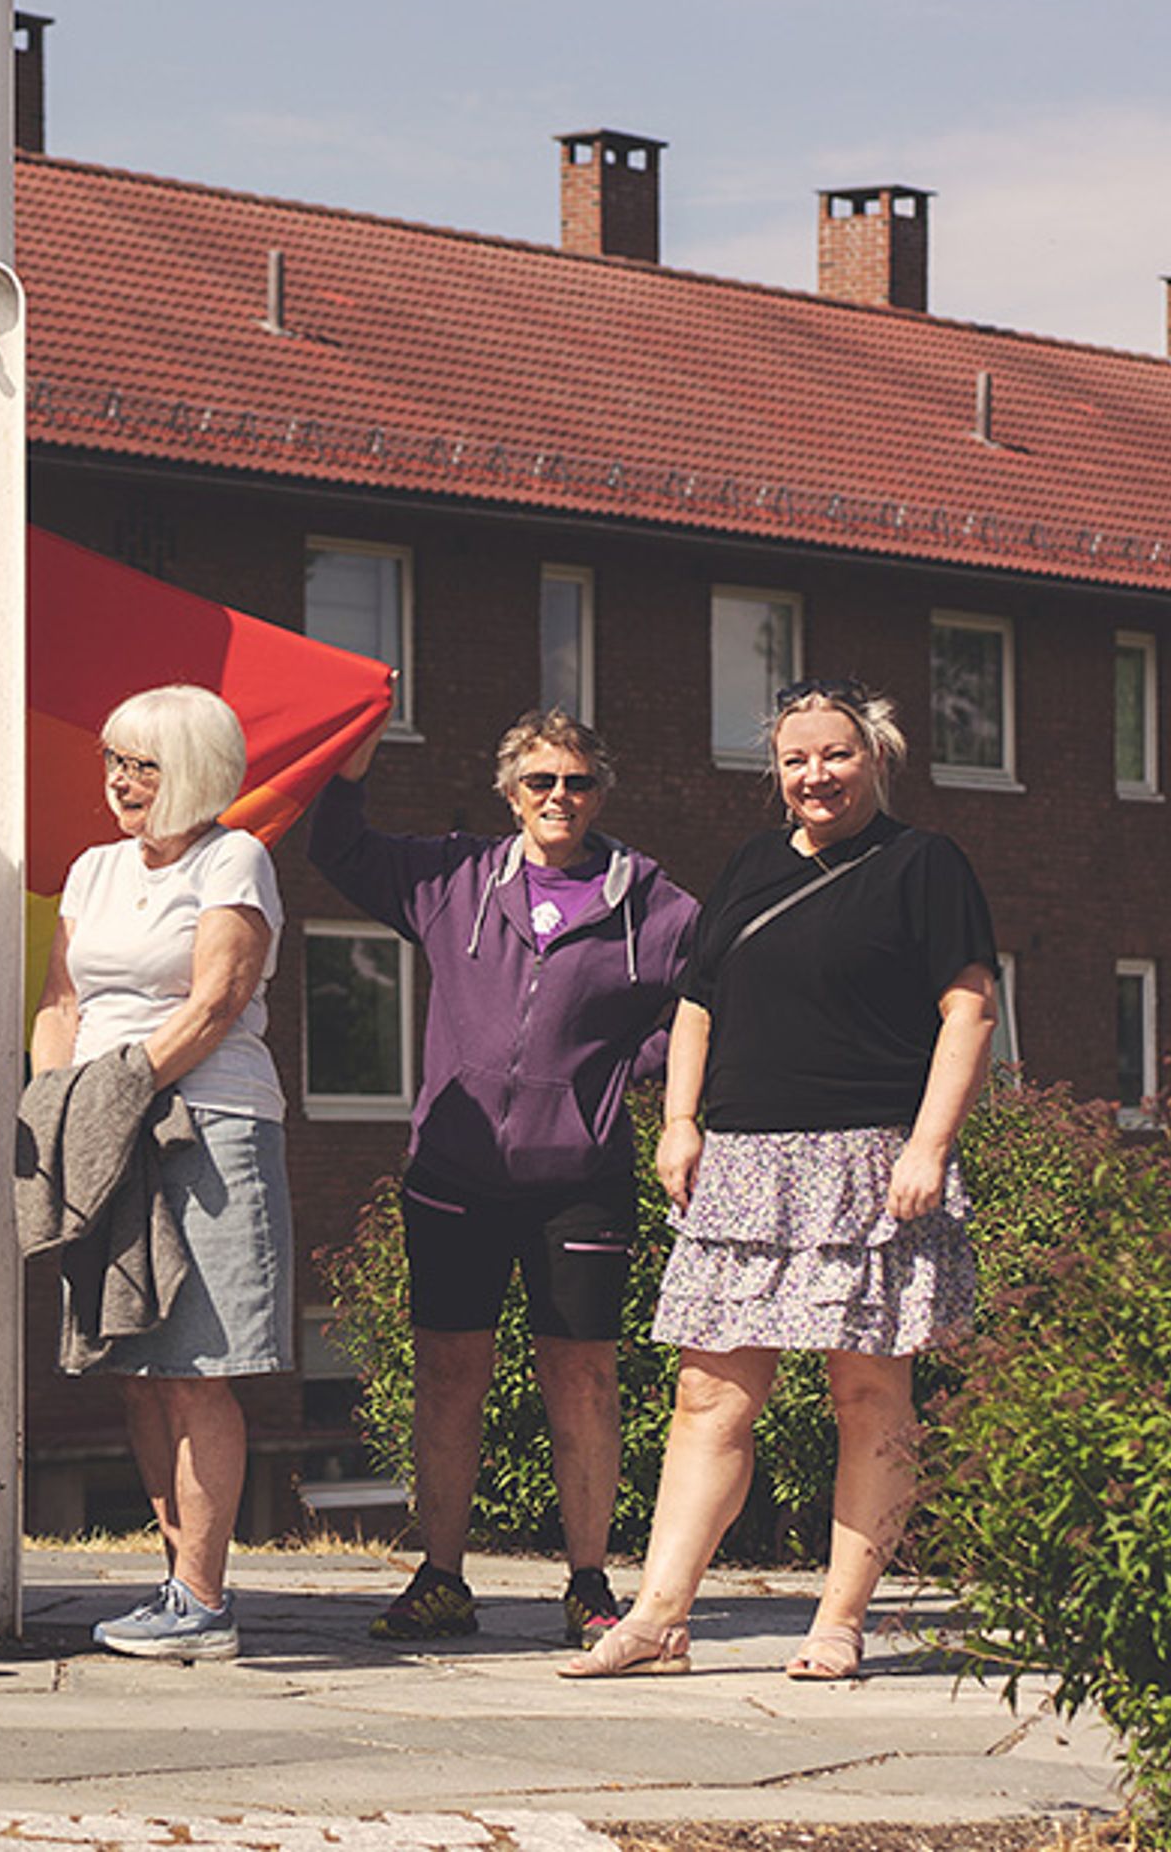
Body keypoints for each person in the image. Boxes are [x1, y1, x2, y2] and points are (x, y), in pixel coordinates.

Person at [564, 679, 996, 1682]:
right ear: (777, 772)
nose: (816, 776)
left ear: (874, 757)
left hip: (868, 1160)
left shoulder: (924, 865)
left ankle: (839, 1621)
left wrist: (929, 1145)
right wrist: (679, 1124)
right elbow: (698, 1006)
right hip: (745, 1162)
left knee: (868, 1391)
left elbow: (967, 1010)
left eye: (835, 755)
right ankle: (660, 1618)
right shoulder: (751, 866)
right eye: (796, 760)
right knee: (709, 1394)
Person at [304, 706, 698, 1648]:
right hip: (454, 1170)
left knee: (585, 1376)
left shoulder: (654, 905)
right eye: (540, 782)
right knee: (448, 1372)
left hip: (581, 1179)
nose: (559, 797)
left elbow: (712, 1001)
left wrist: (620, 1074)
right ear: (509, 792)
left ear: (602, 792)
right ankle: (441, 1578)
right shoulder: (453, 879)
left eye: (577, 782)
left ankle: (591, 1585)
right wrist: (350, 756)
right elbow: (337, 845)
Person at [26, 686, 293, 1663]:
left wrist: (122, 1088)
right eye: (112, 760)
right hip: (102, 1126)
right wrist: (55, 1108)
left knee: (196, 1369)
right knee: (134, 1367)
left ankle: (206, 1601)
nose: (122, 783)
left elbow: (217, 1000)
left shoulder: (236, 858)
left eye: (144, 764)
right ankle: (175, 1583)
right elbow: (61, 999)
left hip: (205, 1122)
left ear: (197, 770)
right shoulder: (91, 870)